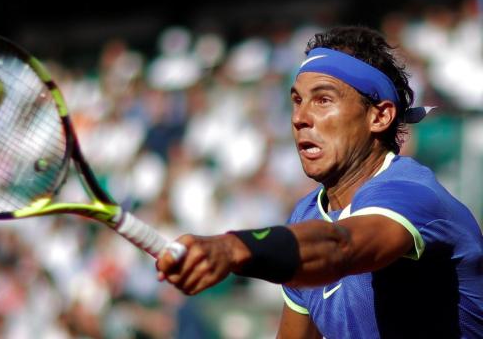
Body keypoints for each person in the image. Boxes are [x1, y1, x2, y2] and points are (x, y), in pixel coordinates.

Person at [156, 26, 483, 338]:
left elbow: (339, 247)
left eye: (323, 100)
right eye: (297, 101)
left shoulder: (412, 194)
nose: (300, 117)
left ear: (380, 116)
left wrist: (233, 247)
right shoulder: (306, 216)